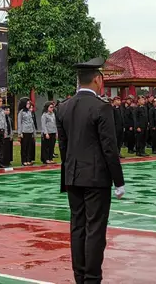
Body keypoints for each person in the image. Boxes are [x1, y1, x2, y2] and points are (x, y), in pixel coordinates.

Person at [56, 57, 124, 284]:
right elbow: (109, 147)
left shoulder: (63, 107)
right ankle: (92, 278)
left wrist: (68, 172)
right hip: (96, 177)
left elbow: (64, 147)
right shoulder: (102, 107)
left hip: (73, 175)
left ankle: (80, 276)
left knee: (78, 226)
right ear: (97, 80)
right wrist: (119, 181)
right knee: (95, 228)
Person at [17, 98, 36, 166]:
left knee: (29, 147)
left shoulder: (29, 111)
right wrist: (20, 133)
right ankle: (24, 160)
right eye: (27, 103)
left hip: (30, 131)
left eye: (29, 103)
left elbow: (32, 122)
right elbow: (19, 123)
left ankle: (28, 160)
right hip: (24, 131)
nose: (28, 105)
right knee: (24, 147)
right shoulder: (21, 112)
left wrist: (34, 133)